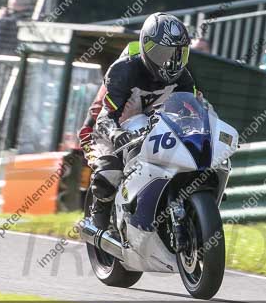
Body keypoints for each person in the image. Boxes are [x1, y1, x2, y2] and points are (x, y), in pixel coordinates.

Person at [84, 13, 197, 233]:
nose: (171, 62)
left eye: (178, 54)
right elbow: (105, 116)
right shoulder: (123, 71)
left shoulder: (184, 78)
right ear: (146, 48)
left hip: (147, 126)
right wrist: (115, 134)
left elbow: (192, 110)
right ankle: (100, 210)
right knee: (109, 172)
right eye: (163, 53)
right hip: (106, 128)